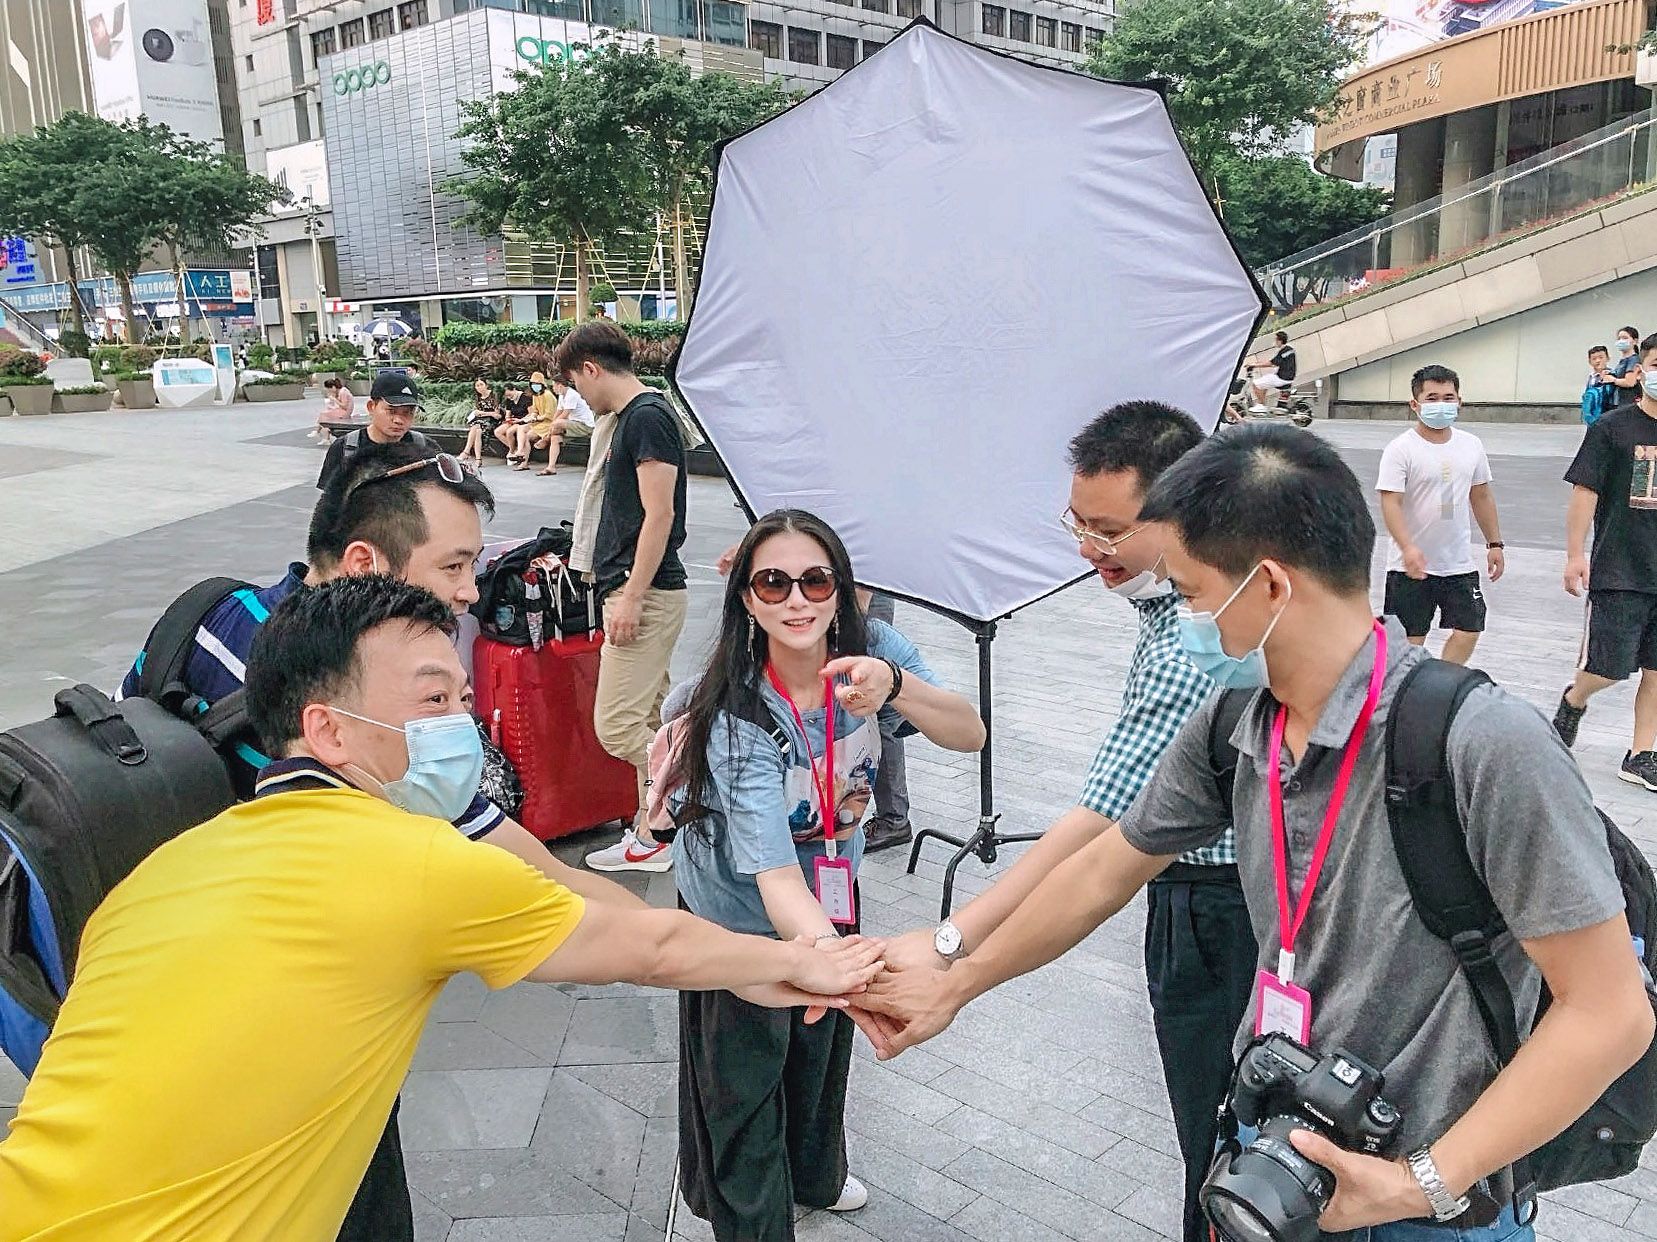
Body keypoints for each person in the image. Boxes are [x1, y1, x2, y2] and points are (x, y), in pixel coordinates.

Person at [859, 423, 1652, 1242]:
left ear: (1268, 586)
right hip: (1273, 1164)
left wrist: (1415, 1185)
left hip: (1426, 1204)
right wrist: (958, 980)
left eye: (1191, 593)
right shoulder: (1237, 721)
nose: (1187, 619)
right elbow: (1105, 870)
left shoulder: (1480, 743)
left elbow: (1609, 1013)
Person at [0, 575, 887, 1242]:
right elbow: (651, 946)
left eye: (462, 699)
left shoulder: (160, 872)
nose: (462, 724)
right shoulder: (408, 862)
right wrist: (801, 963)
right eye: (432, 701)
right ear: (328, 731)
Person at [117, 441, 648, 1241]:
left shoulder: (213, 617)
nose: (469, 593)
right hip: (286, 1044)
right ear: (364, 562)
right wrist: (721, 953)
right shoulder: (357, 715)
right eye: (453, 567)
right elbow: (543, 875)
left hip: (147, 986)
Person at [871, 401, 1255, 1242]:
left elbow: (1097, 840)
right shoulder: (1181, 608)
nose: (1088, 549)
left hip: (1222, 913)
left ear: (1188, 511)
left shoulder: (1195, 642)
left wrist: (952, 949)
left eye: (1109, 531)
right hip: (1214, 896)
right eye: (1076, 524)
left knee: (1227, 1154)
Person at [672, 510, 983, 1241]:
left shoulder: (871, 649)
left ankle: (814, 1174)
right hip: (739, 909)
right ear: (745, 598)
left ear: (841, 587)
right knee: (742, 1076)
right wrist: (844, 967)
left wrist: (895, 685)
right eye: (772, 584)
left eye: (815, 581)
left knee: (817, 1053)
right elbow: (775, 880)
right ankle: (748, 1215)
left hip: (831, 885)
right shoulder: (739, 709)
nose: (796, 600)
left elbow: (968, 732)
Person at [556, 322, 690, 874]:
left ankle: (691, 787)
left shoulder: (647, 417)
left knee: (617, 726)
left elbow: (661, 515)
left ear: (591, 368)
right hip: (639, 588)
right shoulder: (631, 418)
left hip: (646, 591)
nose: (580, 397)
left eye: (576, 383)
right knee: (649, 718)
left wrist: (632, 595)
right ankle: (652, 835)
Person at [1556, 331, 1657, 794]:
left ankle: (1640, 754)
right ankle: (1575, 699)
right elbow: (1585, 492)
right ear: (1639, 371)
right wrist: (1575, 554)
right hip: (1621, 569)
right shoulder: (1612, 429)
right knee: (1609, 667)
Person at [1376, 365, 1504, 666]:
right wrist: (1407, 547)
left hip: (1457, 562)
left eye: (1448, 397)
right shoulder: (1401, 449)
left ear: (1459, 401)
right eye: (1432, 398)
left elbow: (1481, 495)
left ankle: (1442, 679)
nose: (1441, 404)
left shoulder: (1471, 445)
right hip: (1409, 567)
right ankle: (1404, 688)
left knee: (1470, 628)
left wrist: (1495, 543)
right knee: (1409, 643)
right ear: (1415, 404)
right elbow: (1390, 503)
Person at [317, 372, 432, 492]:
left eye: (407, 412)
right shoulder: (345, 448)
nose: (398, 420)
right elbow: (329, 499)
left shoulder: (424, 446)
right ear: (371, 407)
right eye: (391, 411)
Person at [862, 592, 914, 853]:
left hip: (862, 592)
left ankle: (893, 819)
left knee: (879, 710)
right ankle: (892, 816)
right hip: (852, 591)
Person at [533, 373, 596, 476]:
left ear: (560, 385)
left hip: (585, 426)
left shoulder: (572, 395)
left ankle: (545, 440)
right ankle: (551, 467)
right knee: (555, 437)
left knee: (558, 423)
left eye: (554, 385)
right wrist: (552, 425)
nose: (553, 388)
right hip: (572, 425)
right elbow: (558, 413)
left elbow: (565, 414)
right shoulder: (562, 396)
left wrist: (553, 425)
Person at [510, 370, 558, 470]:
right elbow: (535, 411)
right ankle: (521, 455)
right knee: (521, 428)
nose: (535, 386)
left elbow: (549, 415)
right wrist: (532, 417)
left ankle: (522, 458)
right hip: (539, 422)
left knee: (527, 435)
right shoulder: (536, 395)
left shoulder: (548, 395)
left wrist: (536, 418)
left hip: (548, 423)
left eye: (537, 384)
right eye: (533, 384)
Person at [1248, 329, 1297, 413]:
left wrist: (1254, 365)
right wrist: (1256, 363)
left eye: (1275, 340)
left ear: (1280, 341)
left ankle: (1261, 406)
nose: (1274, 342)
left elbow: (1271, 363)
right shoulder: (1290, 349)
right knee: (1264, 383)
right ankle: (1263, 405)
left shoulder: (1282, 352)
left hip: (1282, 378)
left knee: (1256, 384)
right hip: (1289, 377)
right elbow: (1274, 362)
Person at [460, 376, 500, 471]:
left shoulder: (494, 395)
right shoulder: (478, 397)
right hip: (480, 421)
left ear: (486, 385)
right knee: (477, 429)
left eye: (481, 384)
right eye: (477, 386)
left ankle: (466, 452)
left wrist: (484, 413)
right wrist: (481, 413)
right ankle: (477, 459)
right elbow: (478, 412)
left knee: (477, 427)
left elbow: (497, 415)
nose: (479, 387)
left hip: (492, 421)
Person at [1608, 325, 1643, 408]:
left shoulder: (1633, 360)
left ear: (1635, 341)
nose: (1621, 341)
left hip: (1629, 402)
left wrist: (1613, 380)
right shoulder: (1623, 360)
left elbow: (1630, 382)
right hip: (1620, 402)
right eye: (1619, 338)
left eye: (1625, 338)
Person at [311, 378, 354, 443]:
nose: (329, 391)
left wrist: (334, 399)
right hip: (343, 411)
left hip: (345, 412)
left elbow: (345, 406)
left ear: (333, 387)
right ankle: (323, 436)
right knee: (325, 415)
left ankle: (320, 433)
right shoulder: (340, 391)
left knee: (324, 415)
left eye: (329, 389)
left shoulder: (343, 392)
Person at [495, 380, 530, 459]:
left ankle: (511, 451)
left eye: (509, 394)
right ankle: (514, 449)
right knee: (497, 432)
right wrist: (508, 419)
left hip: (522, 420)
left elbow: (531, 413)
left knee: (509, 432)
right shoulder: (509, 400)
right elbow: (508, 413)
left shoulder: (525, 398)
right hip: (513, 420)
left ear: (514, 389)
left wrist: (520, 420)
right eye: (507, 396)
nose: (509, 397)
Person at [1584, 344, 1616, 427]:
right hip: (1591, 413)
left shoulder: (1611, 375)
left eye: (1601, 357)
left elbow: (1609, 394)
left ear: (1607, 358)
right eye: (1594, 359)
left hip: (1606, 413)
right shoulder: (1591, 377)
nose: (1598, 361)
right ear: (1590, 362)